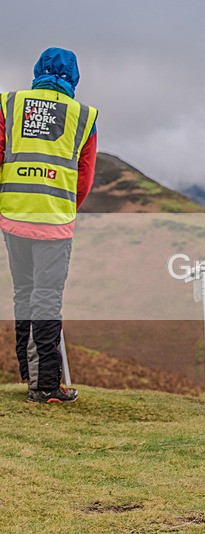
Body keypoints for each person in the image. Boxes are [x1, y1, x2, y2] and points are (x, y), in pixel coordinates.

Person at [0, 48, 98, 403]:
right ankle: (44, 386)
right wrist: (66, 207)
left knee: (24, 292)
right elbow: (84, 177)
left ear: (37, 70)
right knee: (46, 298)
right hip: (55, 219)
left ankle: (30, 373)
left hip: (13, 214)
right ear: (74, 78)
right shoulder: (83, 116)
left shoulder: (9, 104)